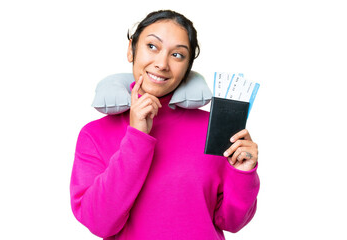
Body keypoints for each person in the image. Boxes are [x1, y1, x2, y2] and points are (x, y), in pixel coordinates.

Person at [70, 10, 259, 240]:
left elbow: (231, 222)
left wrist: (242, 173)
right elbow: (100, 222)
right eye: (152, 46)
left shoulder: (213, 127)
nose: (161, 64)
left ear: (188, 66)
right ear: (131, 49)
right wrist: (136, 137)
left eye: (177, 55)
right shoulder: (95, 134)